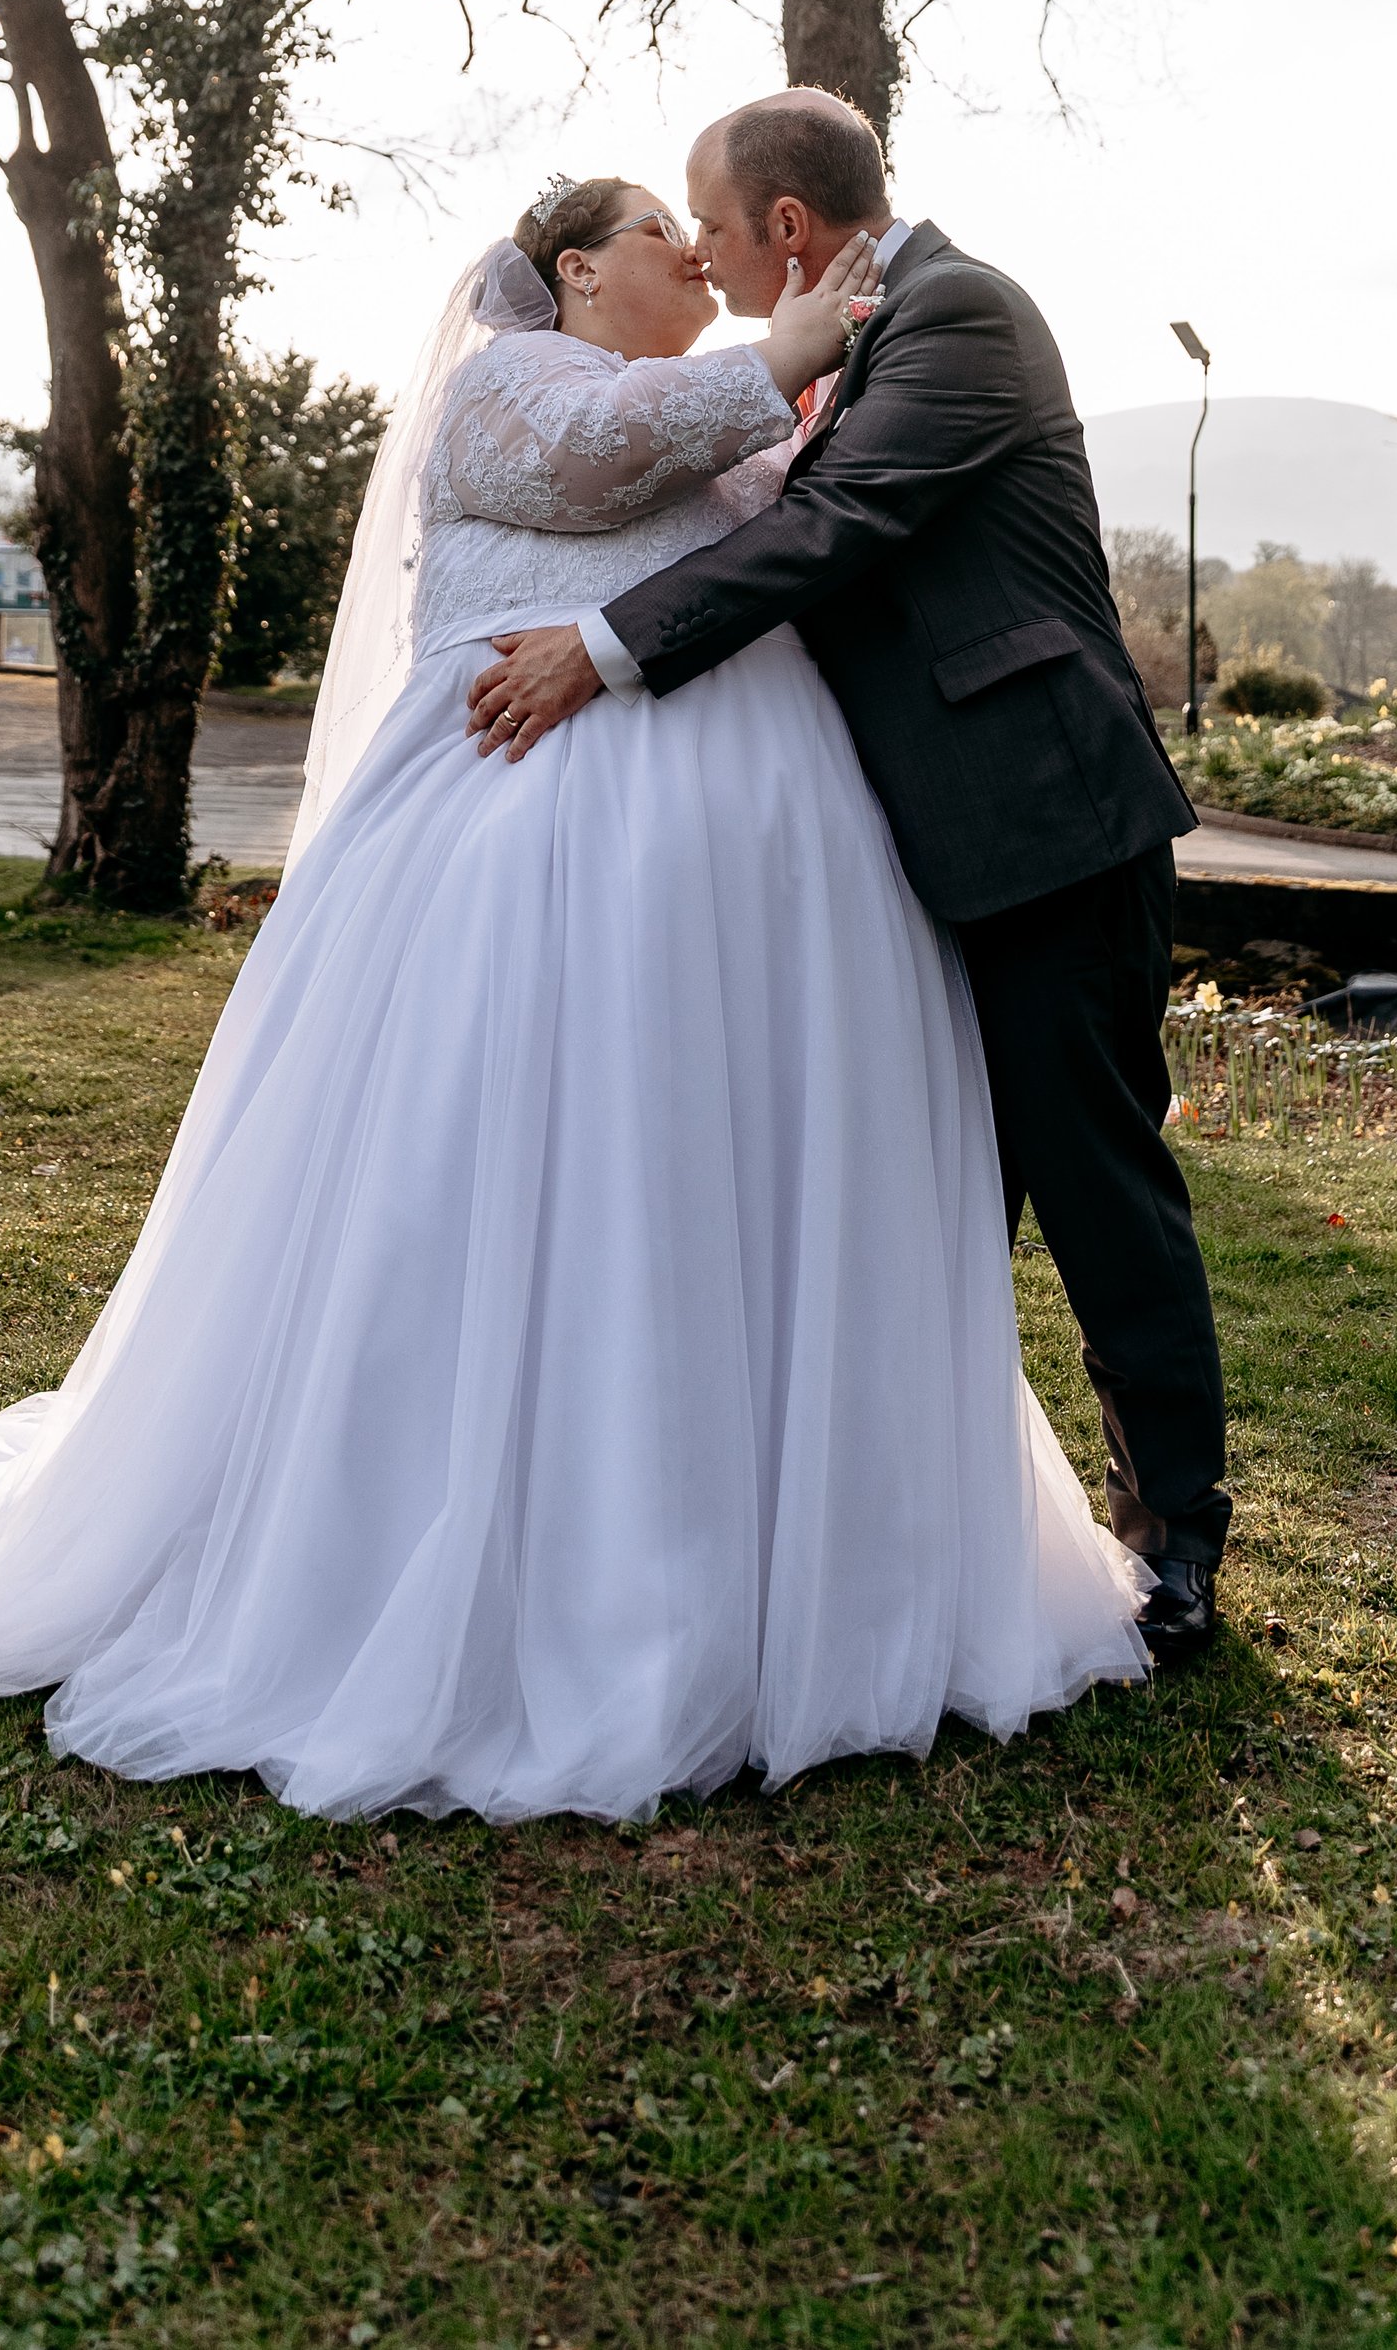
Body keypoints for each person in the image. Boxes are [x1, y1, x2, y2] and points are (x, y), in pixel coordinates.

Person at [0, 172, 1151, 1820]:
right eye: (661, 236)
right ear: (578, 270)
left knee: (720, 1190)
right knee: (514, 1185)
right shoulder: (514, 385)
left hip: (759, 889)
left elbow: (802, 549)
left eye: (711, 234)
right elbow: (590, 462)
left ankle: (779, 1564)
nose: (698, 255)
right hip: (519, 861)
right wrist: (782, 350)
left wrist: (788, 385)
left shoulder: (750, 424)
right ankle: (485, 1555)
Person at [467, 94, 1228, 1666]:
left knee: (1092, 1178)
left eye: (711, 222)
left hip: (1043, 824)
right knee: (936, 1199)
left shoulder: (960, 313)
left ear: (788, 230)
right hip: (920, 844)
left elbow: (838, 527)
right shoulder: (850, 341)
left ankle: (1173, 1544)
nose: (699, 247)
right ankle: (913, 1538)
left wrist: (604, 649)